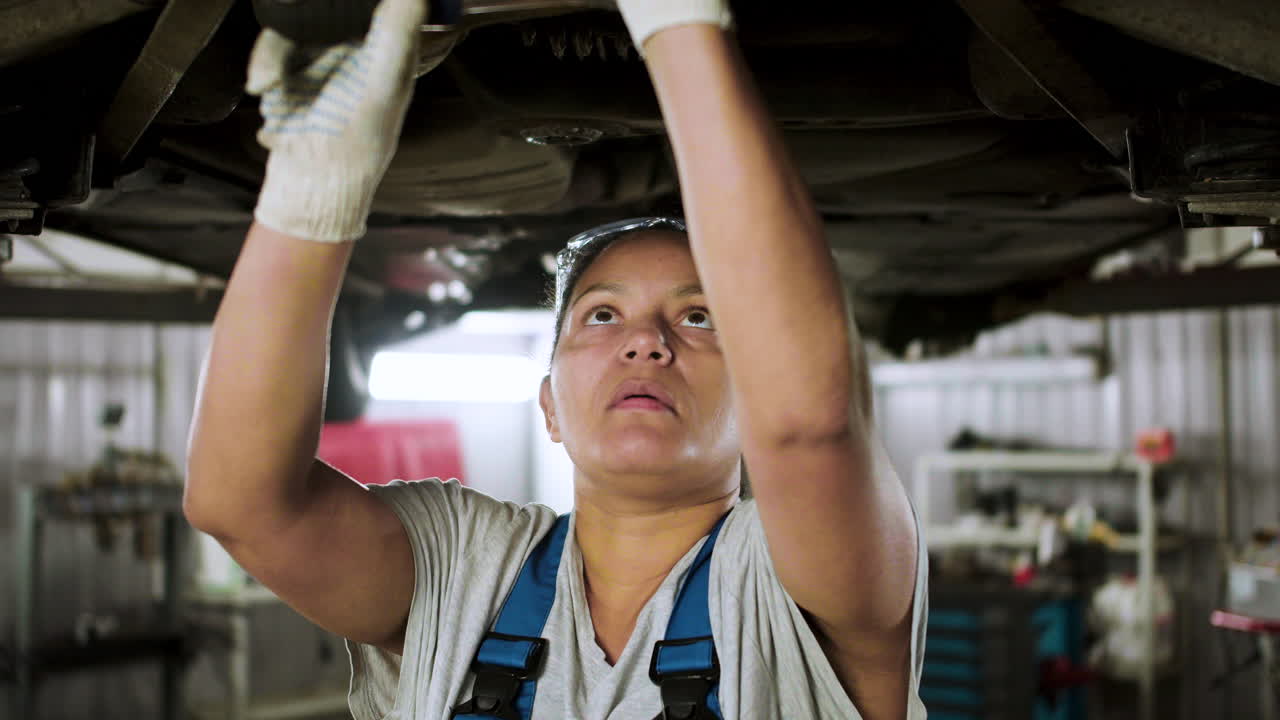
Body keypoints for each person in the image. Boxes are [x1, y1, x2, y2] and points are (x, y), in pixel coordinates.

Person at [184, 0, 928, 717]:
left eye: (700, 318)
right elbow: (242, 503)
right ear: (549, 405)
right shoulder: (465, 565)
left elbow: (815, 428)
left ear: (760, 390)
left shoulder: (793, 586)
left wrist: (679, 23)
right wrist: (312, 193)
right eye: (602, 315)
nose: (647, 341)